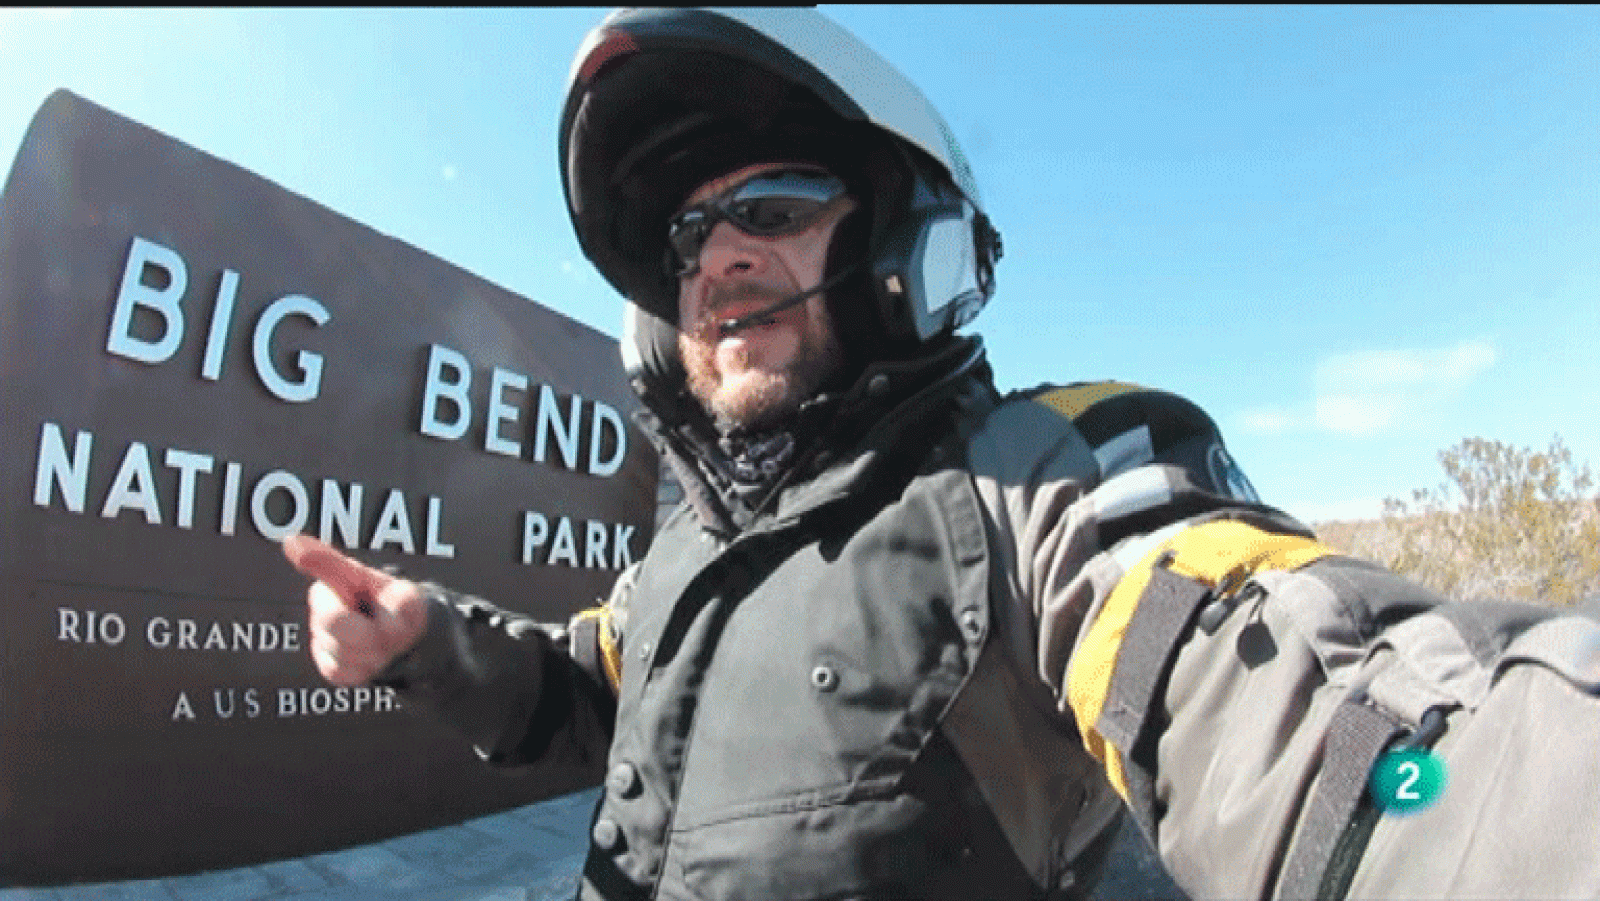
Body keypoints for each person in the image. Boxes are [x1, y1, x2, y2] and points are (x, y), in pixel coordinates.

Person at [285, 8, 1600, 900]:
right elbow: (591, 693)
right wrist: (427, 643)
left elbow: (1308, 699)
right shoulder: (685, 542)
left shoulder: (1039, 474)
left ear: (907, 252)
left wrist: (1478, 785)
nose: (720, 256)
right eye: (688, 238)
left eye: (773, 208)